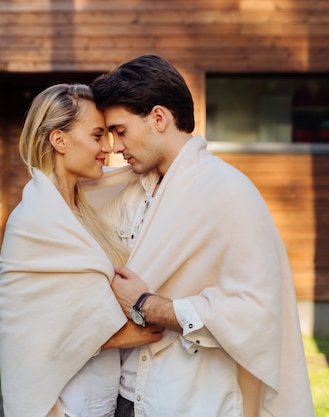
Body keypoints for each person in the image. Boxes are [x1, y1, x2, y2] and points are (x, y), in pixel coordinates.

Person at [85, 54, 314, 417]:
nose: (114, 146)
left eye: (120, 130)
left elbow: (255, 312)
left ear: (158, 118)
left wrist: (146, 305)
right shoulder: (129, 190)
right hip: (124, 395)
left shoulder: (227, 191)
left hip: (188, 399)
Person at [0, 83, 163, 417]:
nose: (108, 147)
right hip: (66, 402)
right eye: (97, 135)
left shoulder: (89, 211)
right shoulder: (34, 220)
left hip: (105, 398)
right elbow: (25, 326)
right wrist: (113, 337)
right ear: (59, 140)